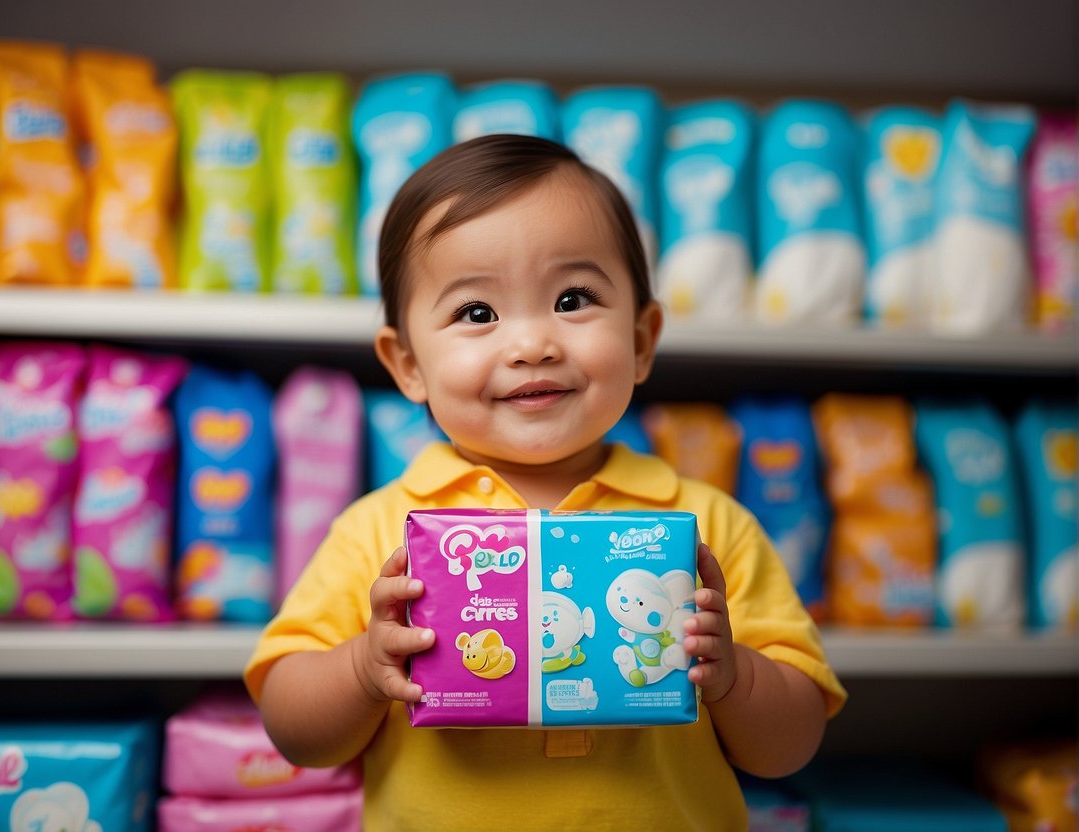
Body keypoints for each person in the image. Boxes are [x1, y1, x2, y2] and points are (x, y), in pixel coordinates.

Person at [244, 134, 847, 831]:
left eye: (572, 298)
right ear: (406, 364)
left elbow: (791, 745)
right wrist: (360, 669)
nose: (532, 344)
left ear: (641, 340)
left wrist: (734, 676)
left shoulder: (708, 525)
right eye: (477, 313)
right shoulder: (379, 531)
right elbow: (293, 730)